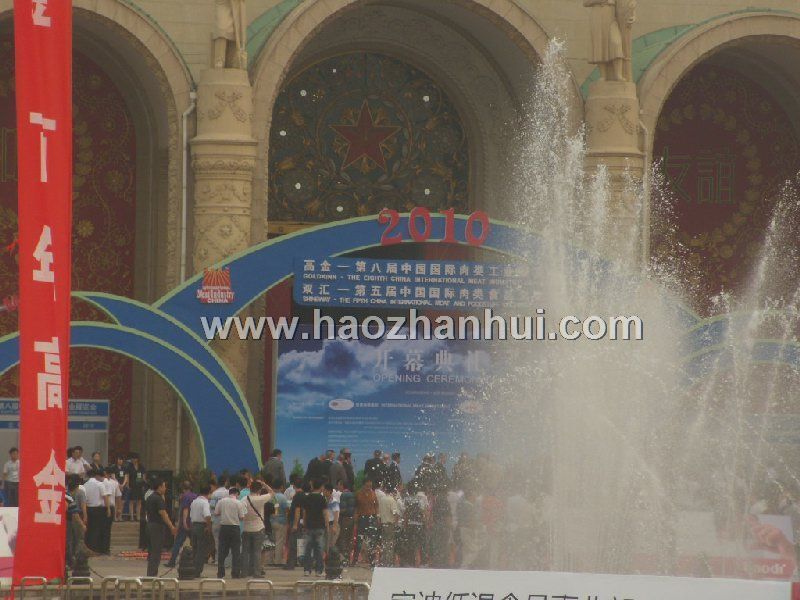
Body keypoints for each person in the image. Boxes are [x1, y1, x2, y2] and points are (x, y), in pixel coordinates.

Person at [146, 478, 177, 577]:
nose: (165, 488)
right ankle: (152, 574)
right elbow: (163, 513)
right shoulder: (158, 499)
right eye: (164, 486)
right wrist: (171, 526)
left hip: (150, 524)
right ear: (159, 487)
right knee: (156, 551)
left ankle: (150, 573)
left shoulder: (150, 497)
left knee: (152, 551)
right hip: (157, 526)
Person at [242, 480, 273, 578]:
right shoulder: (261, 499)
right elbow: (272, 493)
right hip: (258, 528)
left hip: (246, 528)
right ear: (259, 490)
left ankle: (244, 572)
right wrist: (264, 484)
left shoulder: (244, 499)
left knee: (245, 552)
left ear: (250, 489)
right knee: (257, 551)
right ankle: (256, 572)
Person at [215, 487, 246, 579]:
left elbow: (216, 513)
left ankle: (220, 572)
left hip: (224, 528)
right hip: (234, 528)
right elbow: (241, 517)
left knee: (222, 550)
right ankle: (235, 573)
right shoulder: (238, 503)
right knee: (236, 551)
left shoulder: (221, 501)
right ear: (237, 494)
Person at [302, 479, 330, 577]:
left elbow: (304, 512)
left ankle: (307, 570)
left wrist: (304, 524)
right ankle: (318, 570)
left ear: (312, 486)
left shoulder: (307, 497)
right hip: (320, 526)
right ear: (321, 487)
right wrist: (327, 525)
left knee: (308, 548)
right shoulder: (322, 498)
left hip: (309, 526)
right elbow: (325, 513)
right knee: (319, 549)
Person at [165, 481, 197, 568]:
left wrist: (183, 522)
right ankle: (196, 561)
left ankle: (172, 561)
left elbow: (185, 510)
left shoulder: (185, 496)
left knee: (178, 543)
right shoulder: (195, 496)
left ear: (183, 489)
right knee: (194, 543)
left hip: (185, 523)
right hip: (193, 522)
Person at [84, 469, 111, 553]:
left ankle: (90, 548)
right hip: (98, 509)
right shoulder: (99, 484)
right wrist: (108, 509)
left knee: (90, 529)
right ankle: (97, 549)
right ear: (96, 475)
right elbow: (105, 497)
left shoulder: (85, 485)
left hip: (88, 508)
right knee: (98, 529)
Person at [354, 477, 379, 566]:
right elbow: (356, 507)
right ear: (363, 485)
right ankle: (355, 560)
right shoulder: (358, 494)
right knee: (359, 540)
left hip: (372, 518)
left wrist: (377, 516)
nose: (369, 487)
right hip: (362, 518)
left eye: (370, 486)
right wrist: (356, 520)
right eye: (367, 486)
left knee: (372, 540)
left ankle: (372, 561)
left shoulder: (373, 493)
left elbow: (376, 505)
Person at [190, 485, 213, 578]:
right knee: (201, 550)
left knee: (194, 548)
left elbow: (191, 515)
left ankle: (192, 569)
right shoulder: (205, 502)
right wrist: (208, 527)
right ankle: (197, 571)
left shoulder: (194, 501)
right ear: (208, 493)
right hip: (201, 526)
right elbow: (207, 515)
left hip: (194, 525)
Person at [66, 474, 88, 568]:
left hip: (67, 518)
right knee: (79, 538)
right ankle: (78, 558)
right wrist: (85, 517)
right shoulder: (80, 492)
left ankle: (69, 559)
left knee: (69, 539)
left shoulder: (66, 492)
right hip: (77, 516)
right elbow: (83, 505)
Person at [376, 481, 400, 566]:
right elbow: (394, 512)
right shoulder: (391, 500)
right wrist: (396, 521)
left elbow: (378, 513)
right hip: (390, 524)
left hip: (383, 524)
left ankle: (383, 561)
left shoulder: (381, 500)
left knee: (384, 543)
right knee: (390, 544)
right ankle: (389, 562)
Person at [286, 482, 309, 570]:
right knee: (299, 542)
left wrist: (295, 524)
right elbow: (304, 510)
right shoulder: (304, 496)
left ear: (294, 486)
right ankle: (297, 561)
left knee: (293, 542)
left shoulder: (298, 496)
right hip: (301, 521)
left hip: (296, 522)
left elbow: (297, 510)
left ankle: (291, 564)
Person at [100, 468, 122, 554]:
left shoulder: (114, 483)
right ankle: (103, 548)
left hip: (108, 507)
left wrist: (119, 508)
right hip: (104, 507)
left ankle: (104, 548)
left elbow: (118, 496)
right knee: (103, 529)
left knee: (106, 529)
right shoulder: (101, 482)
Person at [210, 475, 229, 566]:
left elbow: (212, 507)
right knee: (226, 541)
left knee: (217, 541)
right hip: (226, 520)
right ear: (225, 482)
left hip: (216, 520)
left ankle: (218, 560)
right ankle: (226, 560)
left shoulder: (214, 494)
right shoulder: (228, 493)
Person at [269, 481, 290, 566]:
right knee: (279, 542)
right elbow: (286, 510)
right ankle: (278, 561)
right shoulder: (283, 497)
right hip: (281, 521)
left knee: (271, 541)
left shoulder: (270, 496)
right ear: (281, 487)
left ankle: (269, 560)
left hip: (271, 521)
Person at [457, 488, 479, 568]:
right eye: (474, 496)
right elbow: (472, 520)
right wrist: (474, 529)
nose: (475, 497)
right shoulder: (470, 506)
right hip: (468, 530)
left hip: (462, 529)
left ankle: (465, 567)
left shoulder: (461, 505)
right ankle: (464, 565)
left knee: (466, 550)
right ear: (470, 497)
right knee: (474, 550)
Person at [336, 480, 356, 565]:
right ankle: (348, 558)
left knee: (343, 538)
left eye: (339, 485)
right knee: (349, 538)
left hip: (345, 519)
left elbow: (343, 509)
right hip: (352, 519)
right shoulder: (353, 494)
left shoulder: (343, 495)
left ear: (342, 485)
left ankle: (343, 559)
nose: (338, 487)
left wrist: (337, 512)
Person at [127, 453, 146, 521]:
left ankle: (138, 516)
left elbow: (144, 476)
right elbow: (127, 476)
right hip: (132, 485)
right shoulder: (129, 466)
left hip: (139, 485)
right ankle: (131, 517)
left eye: (134, 458)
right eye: (132, 458)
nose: (133, 460)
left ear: (137, 459)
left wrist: (144, 484)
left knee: (139, 501)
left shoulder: (141, 466)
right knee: (131, 501)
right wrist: (127, 485)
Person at [110, 455, 130, 521]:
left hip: (123, 486)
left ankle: (120, 516)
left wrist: (123, 485)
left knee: (122, 502)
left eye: (121, 459)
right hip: (116, 485)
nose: (120, 461)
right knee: (116, 502)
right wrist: (118, 485)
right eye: (119, 459)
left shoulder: (124, 468)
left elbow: (126, 477)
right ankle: (115, 516)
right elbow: (113, 477)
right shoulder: (113, 467)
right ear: (117, 460)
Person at [324, 482, 340, 552]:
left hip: (332, 524)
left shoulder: (334, 501)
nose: (323, 492)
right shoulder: (325, 500)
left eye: (324, 490)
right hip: (327, 525)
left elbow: (336, 514)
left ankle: (338, 557)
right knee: (326, 545)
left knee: (330, 545)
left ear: (329, 491)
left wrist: (334, 526)